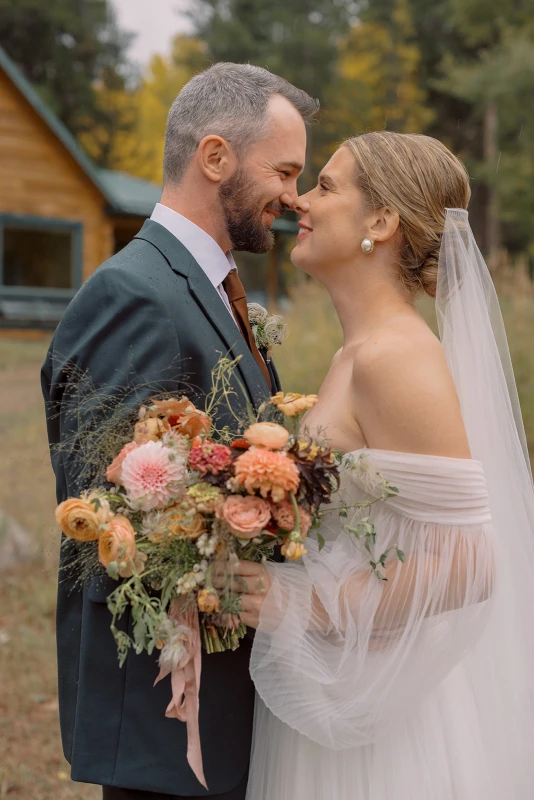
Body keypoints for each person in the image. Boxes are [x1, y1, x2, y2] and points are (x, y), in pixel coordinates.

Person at [41, 63, 317, 800]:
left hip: (220, 706)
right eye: (285, 171)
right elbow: (108, 523)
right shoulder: (136, 295)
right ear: (216, 157)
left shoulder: (211, 290)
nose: (294, 196)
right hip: (168, 723)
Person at [234, 132, 534, 799]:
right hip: (347, 683)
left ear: (382, 222)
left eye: (327, 186)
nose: (301, 201)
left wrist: (310, 605)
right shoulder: (356, 353)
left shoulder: (395, 357)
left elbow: (473, 561)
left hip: (390, 728)